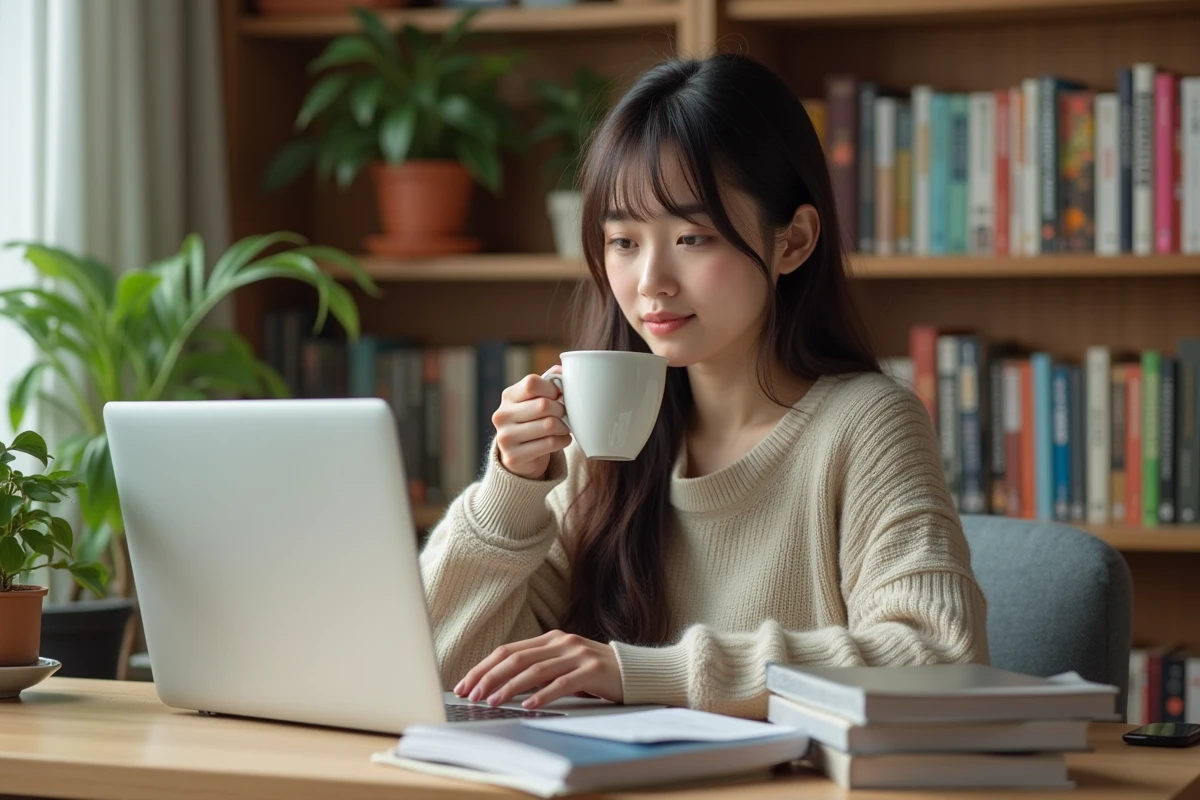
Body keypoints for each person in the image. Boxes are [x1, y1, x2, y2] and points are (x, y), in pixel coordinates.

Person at [418, 53, 988, 720]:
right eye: (623, 241)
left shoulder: (865, 423)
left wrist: (644, 672)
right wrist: (512, 489)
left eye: (692, 236)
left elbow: (938, 654)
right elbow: (439, 664)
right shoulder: (598, 439)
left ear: (793, 241)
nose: (651, 280)